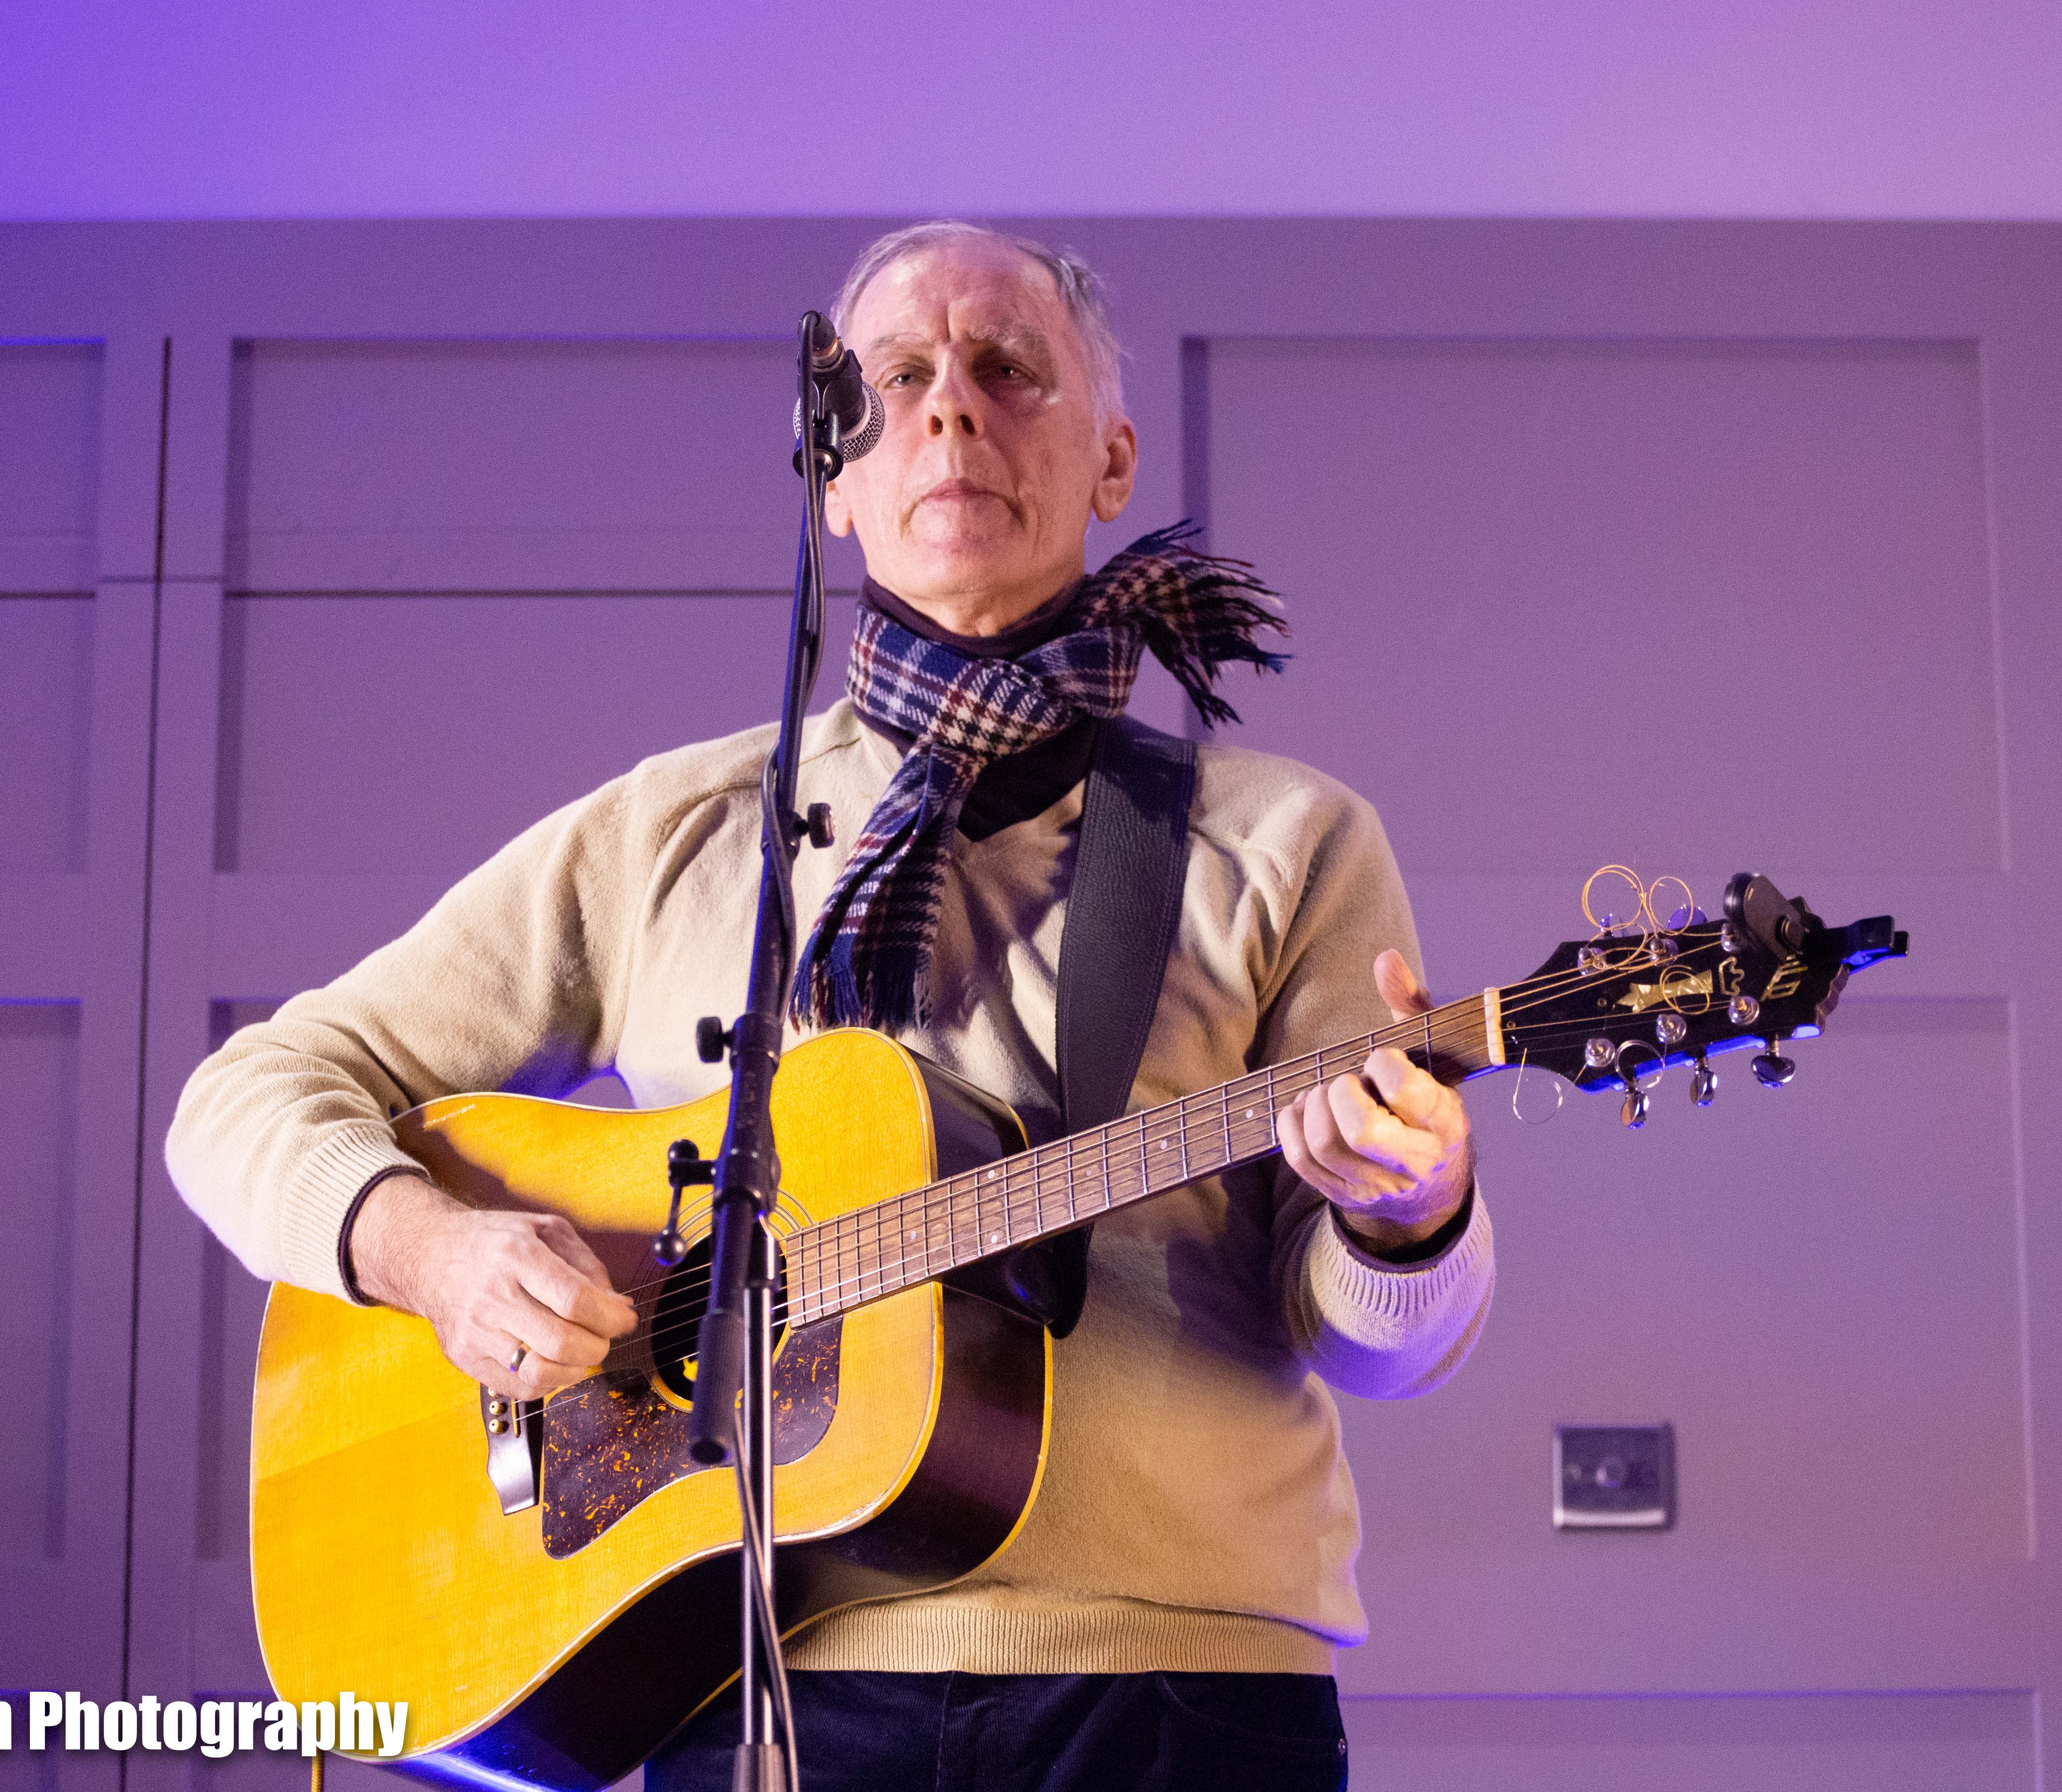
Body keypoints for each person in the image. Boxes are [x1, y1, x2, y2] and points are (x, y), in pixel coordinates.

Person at [167, 220, 1494, 1792]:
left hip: (1181, 1692)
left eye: (1008, 369)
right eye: (898, 379)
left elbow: (1376, 1348)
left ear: (1112, 458)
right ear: (832, 478)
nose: (952, 408)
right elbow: (239, 1101)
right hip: (745, 1678)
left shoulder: (1286, 838)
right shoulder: (675, 829)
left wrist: (1409, 1219)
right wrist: (429, 1249)